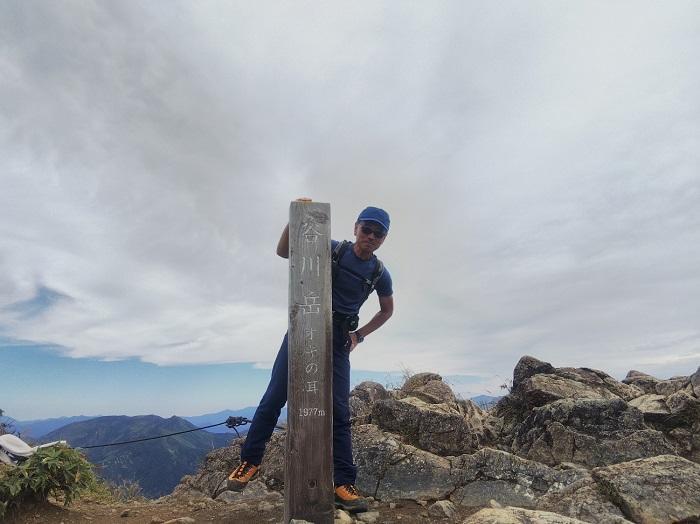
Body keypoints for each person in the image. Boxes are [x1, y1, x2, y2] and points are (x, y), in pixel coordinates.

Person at [226, 200, 394, 512]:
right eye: (366, 229)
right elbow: (283, 251)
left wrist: (359, 335)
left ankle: (343, 484)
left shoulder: (380, 273)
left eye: (378, 233)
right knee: (275, 396)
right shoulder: (333, 249)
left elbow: (387, 310)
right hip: (304, 327)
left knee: (339, 411)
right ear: (356, 228)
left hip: (339, 341)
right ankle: (249, 462)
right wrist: (295, 219)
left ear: (383, 238)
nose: (371, 236)